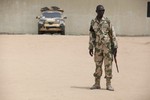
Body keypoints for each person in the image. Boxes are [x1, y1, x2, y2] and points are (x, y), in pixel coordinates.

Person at [89, 5, 118, 91]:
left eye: (103, 10)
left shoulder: (107, 21)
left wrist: (115, 46)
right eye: (100, 10)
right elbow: (92, 35)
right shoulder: (93, 22)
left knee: (108, 65)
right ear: (96, 11)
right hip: (98, 47)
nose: (102, 12)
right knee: (98, 65)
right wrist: (90, 47)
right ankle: (97, 83)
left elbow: (113, 33)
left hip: (107, 47)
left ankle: (108, 84)